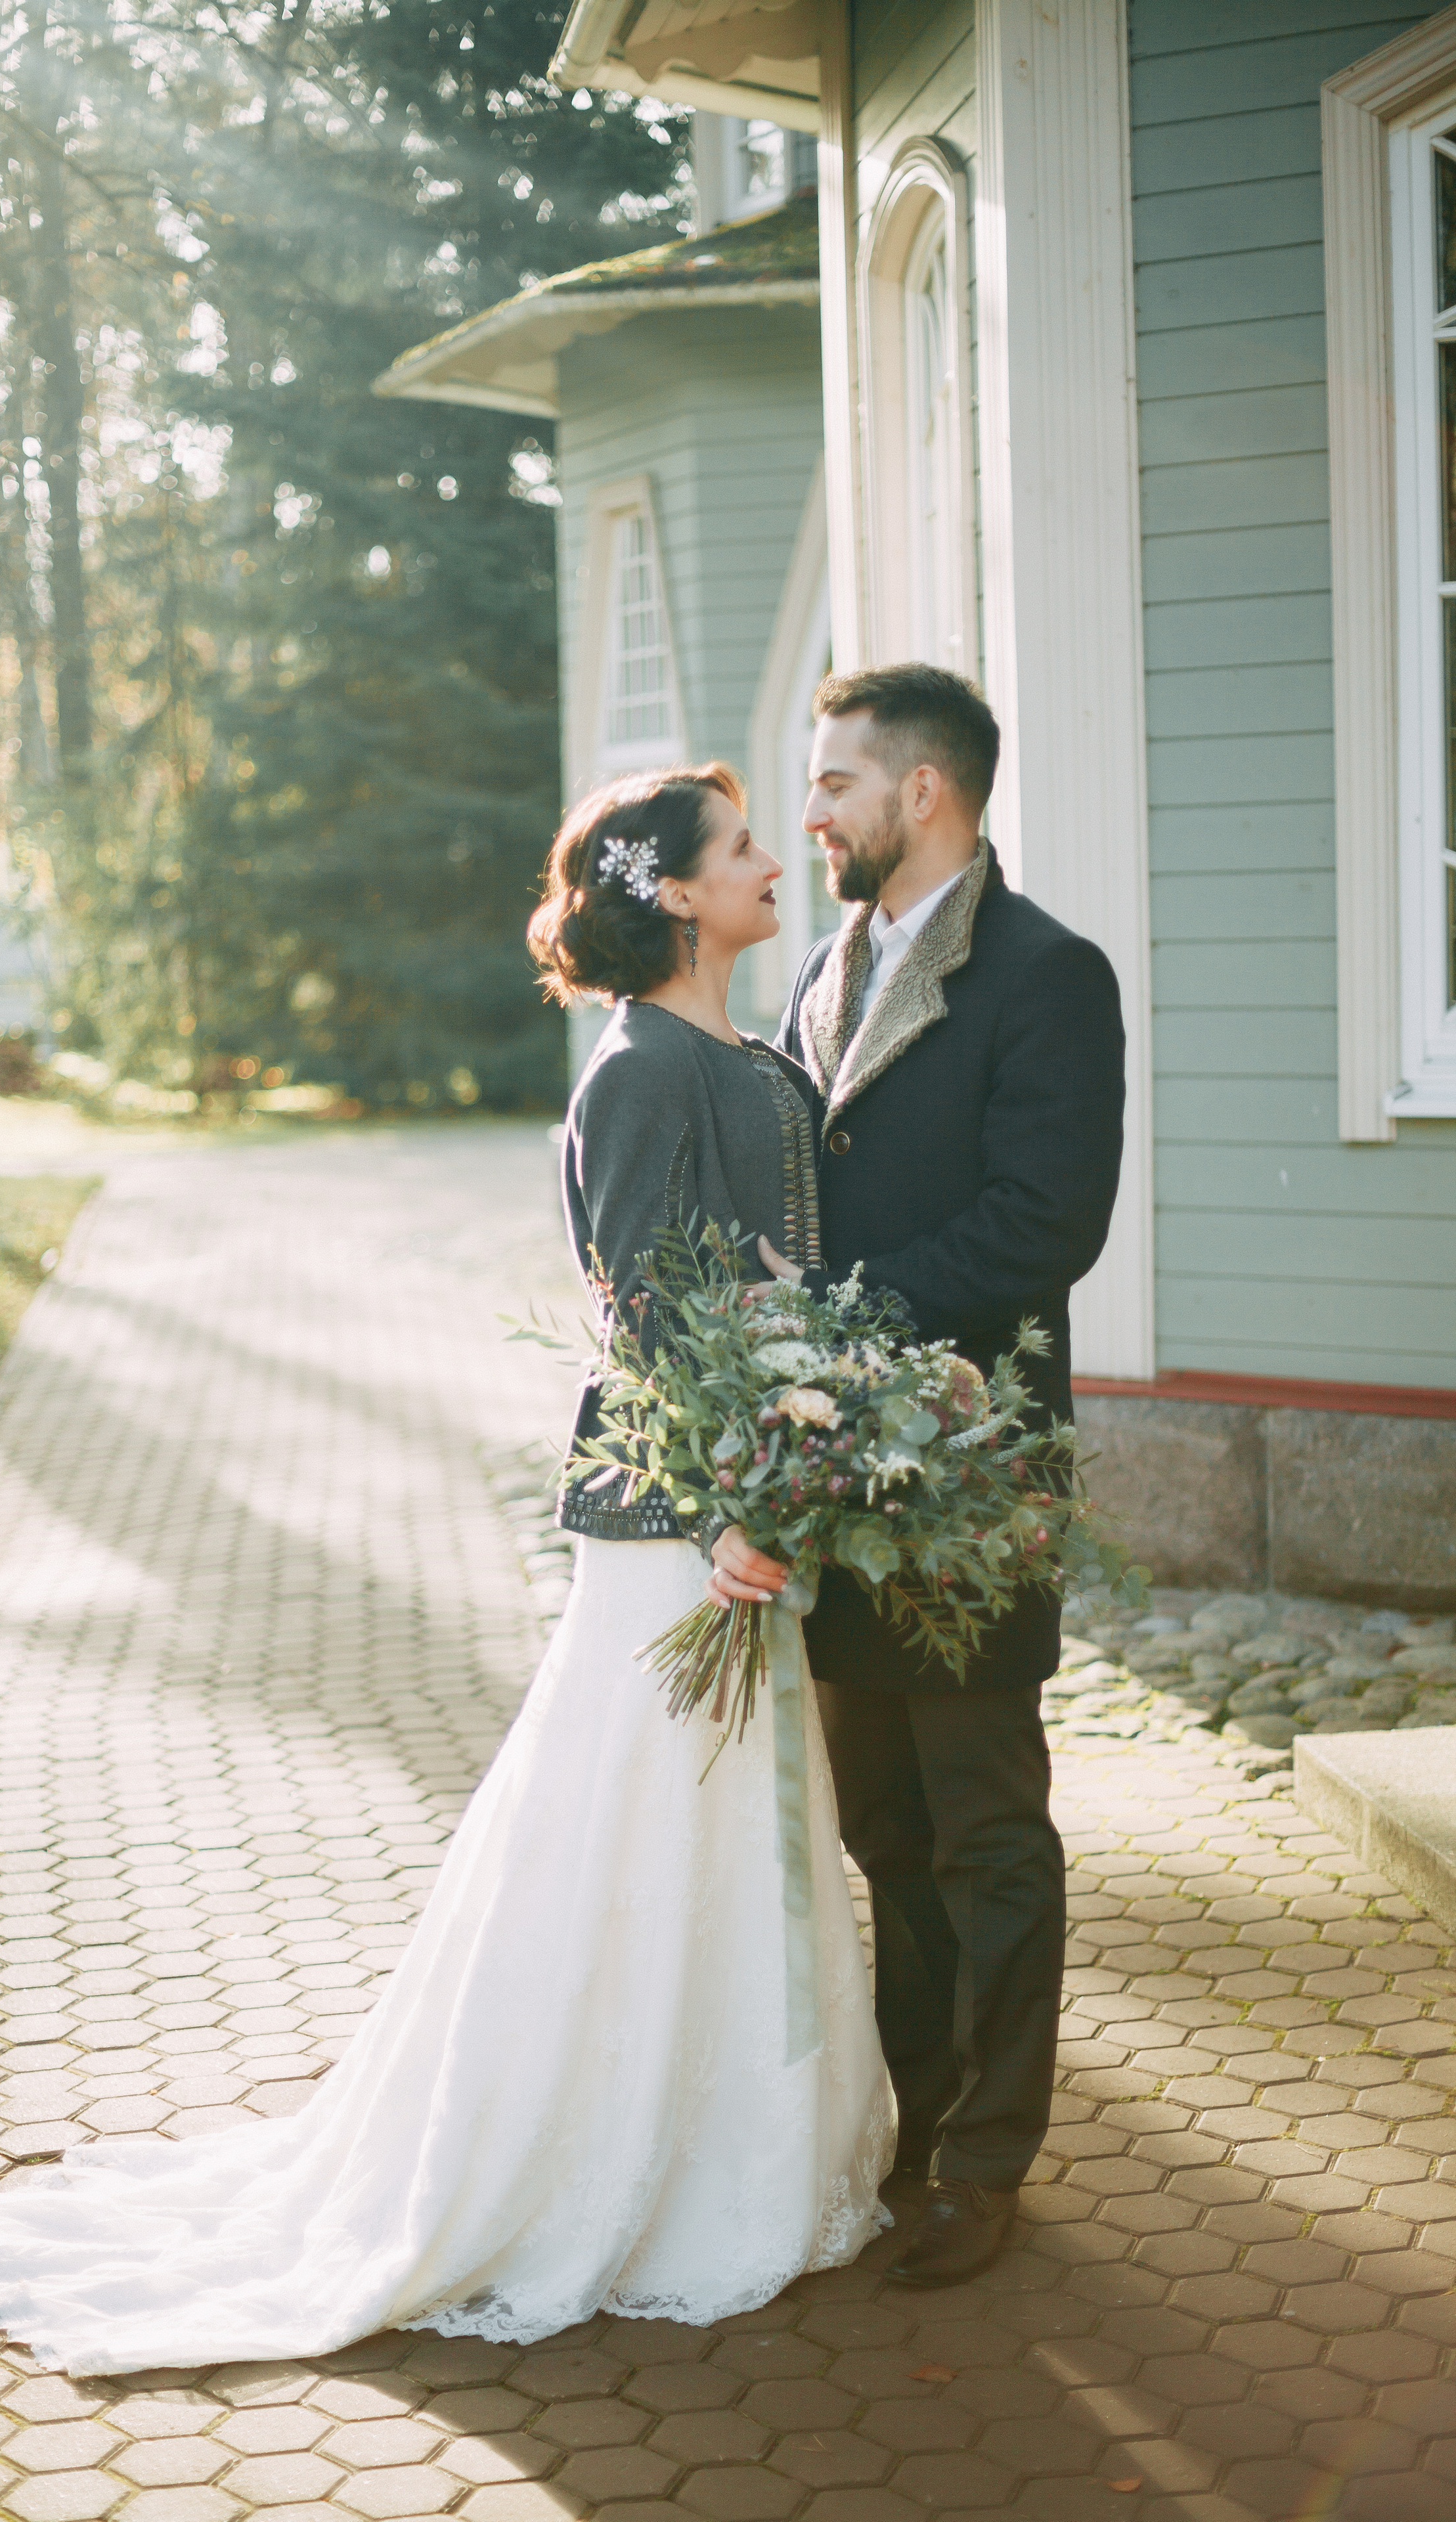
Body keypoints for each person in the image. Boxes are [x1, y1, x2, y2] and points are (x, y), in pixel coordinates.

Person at [0, 761, 894, 2377]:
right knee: (636, 1826)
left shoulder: (757, 1063)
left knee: (754, 1829)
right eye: (738, 848)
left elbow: (790, 1283)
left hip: (763, 1514)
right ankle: (578, 2162)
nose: (772, 860)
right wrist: (730, 1501)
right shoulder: (638, 1072)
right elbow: (642, 1313)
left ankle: (750, 2151)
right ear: (672, 894)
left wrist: (814, 1455)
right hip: (675, 1538)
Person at [711, 665, 1126, 2290]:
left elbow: (1045, 1223)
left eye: (829, 785)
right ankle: (914, 2114)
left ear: (924, 790)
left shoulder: (1043, 976)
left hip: (966, 1466)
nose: (805, 814)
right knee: (882, 1815)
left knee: (981, 1819)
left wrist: (843, 1332)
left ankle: (986, 2160)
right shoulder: (827, 963)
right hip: (838, 1480)